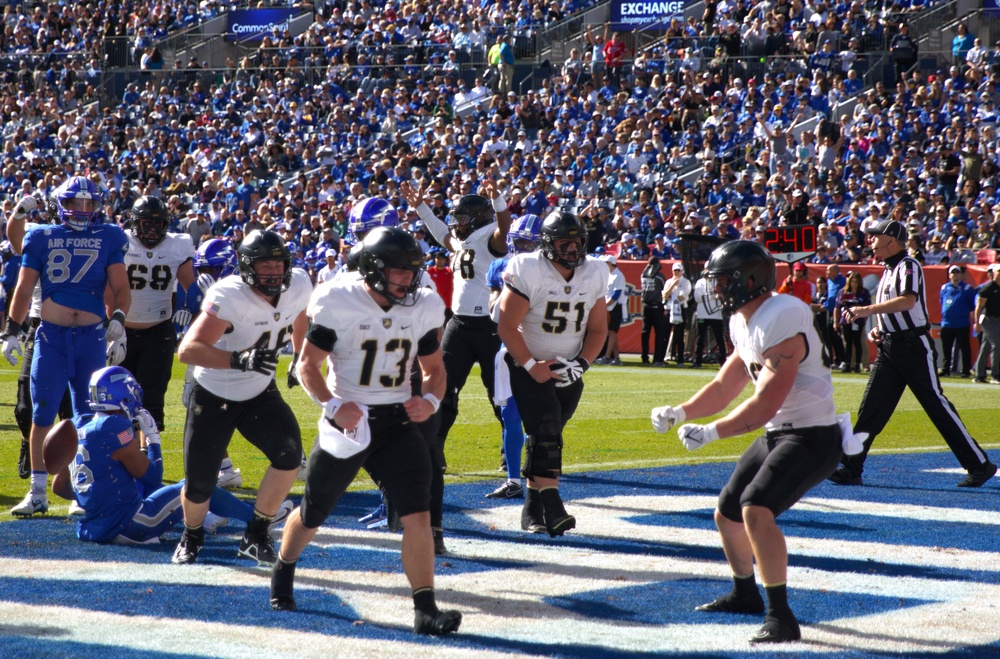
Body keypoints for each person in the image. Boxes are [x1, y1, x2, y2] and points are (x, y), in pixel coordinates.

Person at [269, 227, 462, 637]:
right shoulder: (340, 299)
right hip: (349, 422)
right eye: (399, 271)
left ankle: (425, 607)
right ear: (374, 268)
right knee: (313, 511)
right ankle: (284, 568)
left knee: (419, 514)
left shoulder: (424, 304)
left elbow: (435, 371)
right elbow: (306, 365)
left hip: (397, 420)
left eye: (413, 271)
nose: (408, 280)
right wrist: (335, 406)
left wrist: (428, 401)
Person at [650, 240, 844, 644]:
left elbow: (764, 404)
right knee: (727, 513)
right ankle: (744, 593)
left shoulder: (784, 314)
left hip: (813, 435)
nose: (716, 290)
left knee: (755, 509)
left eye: (723, 281)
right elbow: (724, 386)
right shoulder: (743, 319)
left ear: (749, 280)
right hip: (780, 432)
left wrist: (711, 432)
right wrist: (681, 412)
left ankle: (781, 616)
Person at [171, 229, 312, 565]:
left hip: (260, 391)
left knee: (289, 453)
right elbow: (187, 350)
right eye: (265, 266)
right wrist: (238, 358)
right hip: (214, 393)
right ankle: (192, 534)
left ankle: (256, 533)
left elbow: (300, 316)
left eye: (279, 265)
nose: (274, 273)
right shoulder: (231, 295)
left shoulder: (299, 285)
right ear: (248, 268)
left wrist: (299, 356)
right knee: (200, 485)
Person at [830, 220, 996, 488]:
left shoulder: (909, 265)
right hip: (890, 346)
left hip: (912, 347)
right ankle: (851, 467)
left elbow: (908, 301)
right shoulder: (887, 269)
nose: (871, 241)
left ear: (892, 240)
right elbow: (893, 310)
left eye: (876, 236)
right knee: (871, 408)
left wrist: (867, 310)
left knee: (936, 406)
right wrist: (879, 330)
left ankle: (979, 464)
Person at [3, 176, 130, 517]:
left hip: (91, 338)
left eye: (89, 204)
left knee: (87, 416)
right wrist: (11, 330)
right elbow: (24, 287)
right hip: (52, 336)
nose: (82, 209)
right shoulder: (42, 235)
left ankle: (81, 490)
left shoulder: (109, 236)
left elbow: (121, 286)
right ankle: (38, 491)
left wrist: (118, 318)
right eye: (75, 203)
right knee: (41, 411)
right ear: (62, 204)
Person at [50, 366, 281, 543]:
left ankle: (204, 516)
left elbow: (59, 487)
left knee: (153, 491)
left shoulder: (79, 428)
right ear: (123, 394)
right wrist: (152, 438)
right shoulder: (115, 426)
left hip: (93, 527)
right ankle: (258, 519)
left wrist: (94, 497)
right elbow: (152, 476)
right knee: (195, 486)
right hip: (134, 523)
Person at [497, 211, 607, 537]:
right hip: (526, 364)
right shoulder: (528, 268)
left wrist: (581, 364)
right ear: (547, 244)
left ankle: (532, 510)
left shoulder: (595, 271)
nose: (573, 249)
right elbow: (506, 325)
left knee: (548, 435)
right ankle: (553, 504)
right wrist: (532, 365)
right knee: (545, 433)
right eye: (564, 242)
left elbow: (599, 329)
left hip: (568, 368)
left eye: (577, 242)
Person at [403, 181, 512, 473]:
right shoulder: (465, 240)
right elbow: (442, 233)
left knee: (497, 394)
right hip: (459, 325)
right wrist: (421, 207)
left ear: (477, 218)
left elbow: (504, 229)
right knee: (443, 390)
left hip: (490, 327)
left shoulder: (492, 237)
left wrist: (499, 201)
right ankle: (434, 449)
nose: (456, 223)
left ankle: (510, 454)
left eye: (462, 218)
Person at [5, 194, 73, 483]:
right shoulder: (41, 235)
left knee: (70, 408)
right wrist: (19, 213)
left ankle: (68, 469)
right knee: (24, 407)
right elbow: (15, 235)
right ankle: (28, 441)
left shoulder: (95, 239)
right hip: (39, 324)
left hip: (74, 328)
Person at [120, 196, 196, 431]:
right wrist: (111, 323)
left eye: (158, 224)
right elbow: (107, 286)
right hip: (120, 329)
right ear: (134, 223)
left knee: (152, 397)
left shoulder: (178, 244)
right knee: (117, 399)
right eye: (147, 223)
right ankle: (123, 454)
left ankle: (148, 455)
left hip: (158, 330)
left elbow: (190, 287)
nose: (153, 229)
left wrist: (189, 311)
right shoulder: (119, 240)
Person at [485, 213, 542, 500]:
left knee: (546, 417)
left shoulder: (549, 271)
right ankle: (513, 479)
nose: (520, 248)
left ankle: (541, 475)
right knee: (510, 415)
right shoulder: (499, 266)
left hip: (544, 347)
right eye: (517, 241)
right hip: (510, 347)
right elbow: (494, 311)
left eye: (526, 243)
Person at [939, 265, 976, 378]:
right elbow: (942, 301)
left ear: (961, 274)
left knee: (964, 348)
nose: (955, 275)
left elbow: (972, 305)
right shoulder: (945, 287)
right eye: (953, 273)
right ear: (949, 275)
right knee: (946, 348)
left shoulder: (967, 288)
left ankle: (966, 370)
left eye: (957, 273)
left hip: (961, 324)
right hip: (946, 323)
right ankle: (946, 369)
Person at [833, 271, 872, 373]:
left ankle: (859, 365)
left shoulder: (863, 292)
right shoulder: (843, 292)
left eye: (856, 282)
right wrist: (835, 321)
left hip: (858, 321)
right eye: (852, 281)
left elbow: (867, 308)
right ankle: (848, 364)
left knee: (858, 343)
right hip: (845, 321)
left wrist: (864, 320)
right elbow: (837, 307)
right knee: (847, 343)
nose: (854, 284)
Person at [594, 254, 626, 366]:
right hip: (609, 306)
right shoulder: (609, 275)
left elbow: (616, 294)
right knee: (611, 332)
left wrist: (604, 306)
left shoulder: (618, 275)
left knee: (611, 332)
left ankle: (607, 356)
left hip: (615, 306)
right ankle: (616, 357)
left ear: (610, 264)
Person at [690, 272, 727, 368]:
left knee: (719, 338)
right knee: (700, 338)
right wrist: (711, 295)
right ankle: (697, 361)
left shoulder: (719, 282)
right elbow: (697, 298)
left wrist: (717, 294)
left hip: (716, 315)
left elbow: (723, 297)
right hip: (702, 314)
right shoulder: (700, 282)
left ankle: (723, 362)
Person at [973, 263, 1000, 384]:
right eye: (999, 272)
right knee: (997, 344)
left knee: (986, 347)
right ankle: (995, 375)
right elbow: (979, 307)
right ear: (994, 273)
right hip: (988, 320)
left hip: (997, 320)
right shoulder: (988, 288)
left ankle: (979, 375)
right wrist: (976, 323)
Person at [661, 262, 692, 366]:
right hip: (669, 309)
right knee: (664, 334)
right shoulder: (669, 281)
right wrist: (673, 286)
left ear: (682, 271)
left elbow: (681, 297)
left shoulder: (686, 282)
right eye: (675, 270)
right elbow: (665, 295)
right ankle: (661, 359)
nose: (676, 272)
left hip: (680, 309)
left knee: (679, 336)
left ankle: (680, 360)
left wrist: (671, 295)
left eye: (678, 270)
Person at [639, 256, 666, 366]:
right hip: (656, 306)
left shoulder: (643, 275)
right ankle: (657, 358)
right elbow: (664, 290)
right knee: (659, 333)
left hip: (645, 305)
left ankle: (644, 356)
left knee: (645, 332)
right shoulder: (659, 277)